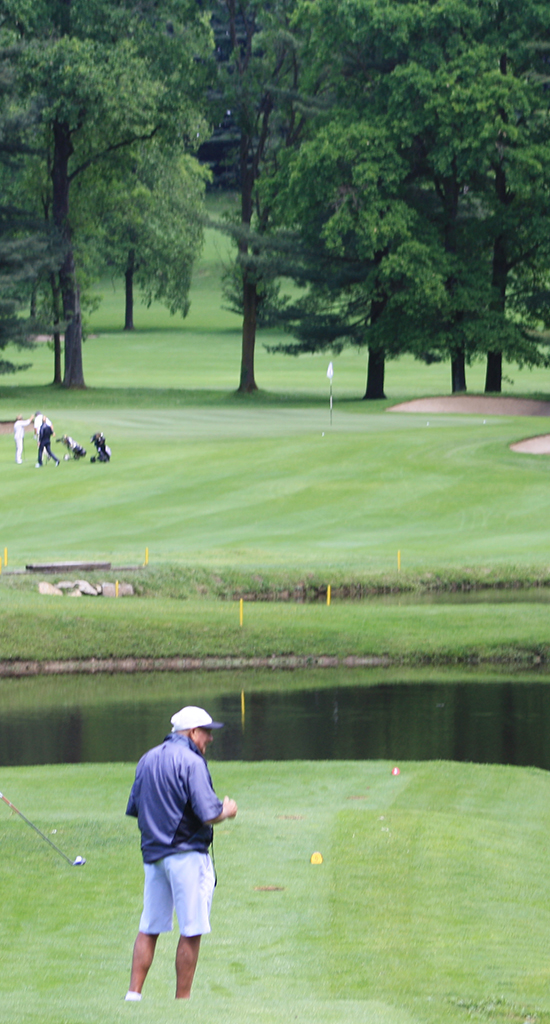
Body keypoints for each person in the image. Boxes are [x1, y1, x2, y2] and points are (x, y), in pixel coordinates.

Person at [125, 705, 238, 1002]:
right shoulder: (192, 761)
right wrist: (226, 811)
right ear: (191, 732)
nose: (209, 739)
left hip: (153, 855)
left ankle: (133, 996)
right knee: (192, 929)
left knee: (149, 926)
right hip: (187, 854)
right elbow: (208, 813)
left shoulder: (147, 758)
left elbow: (135, 808)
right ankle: (182, 1002)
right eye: (207, 733)